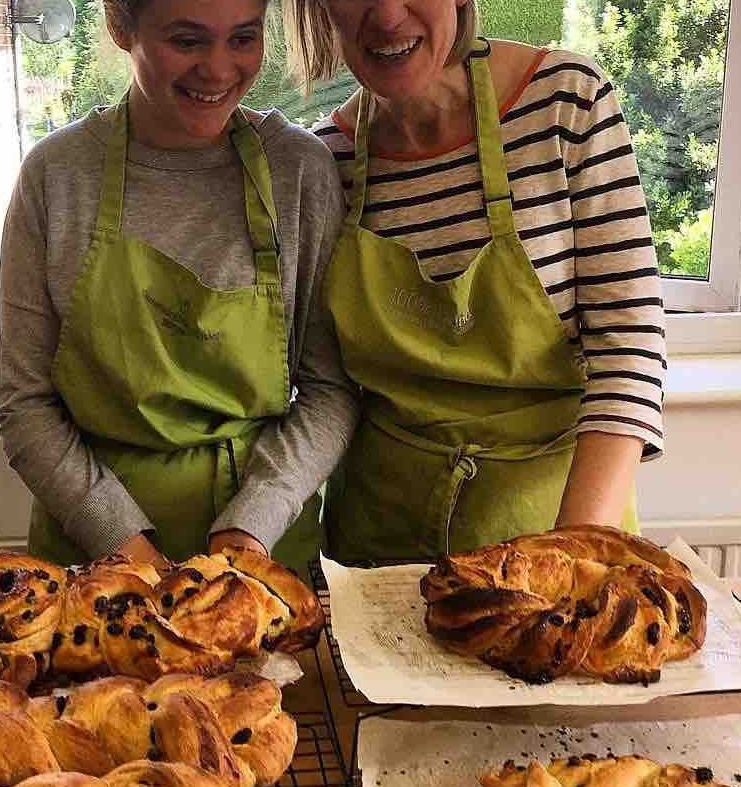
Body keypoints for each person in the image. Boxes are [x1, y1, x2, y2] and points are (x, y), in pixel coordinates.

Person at [283, 0, 666, 561]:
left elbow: (628, 350)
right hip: (376, 550)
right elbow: (327, 386)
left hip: (557, 531)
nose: (388, 16)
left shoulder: (565, 103)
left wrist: (571, 558)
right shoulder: (327, 157)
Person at [0, 0, 358, 573]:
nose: (217, 70)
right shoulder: (56, 176)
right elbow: (24, 404)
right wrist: (119, 539)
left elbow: (329, 390)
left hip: (262, 548)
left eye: (243, 38)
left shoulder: (298, 171)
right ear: (120, 26)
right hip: (94, 554)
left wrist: (251, 526)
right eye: (187, 42)